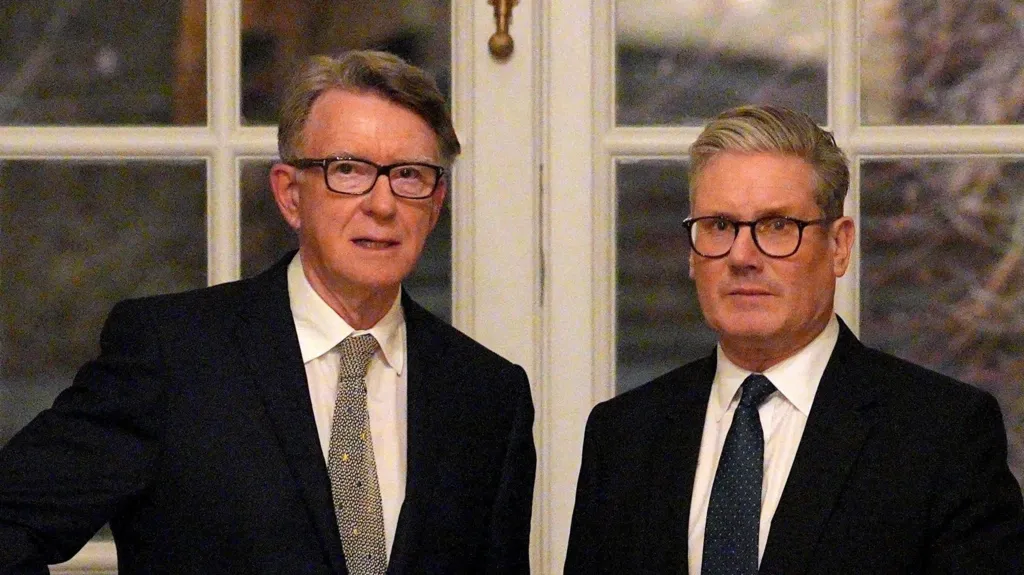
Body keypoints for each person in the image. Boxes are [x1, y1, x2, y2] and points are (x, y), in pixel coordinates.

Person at [0, 50, 536, 574]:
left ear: (436, 202)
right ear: (289, 194)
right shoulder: (173, 357)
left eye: (410, 176)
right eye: (347, 170)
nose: (382, 203)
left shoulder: (487, 397)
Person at [564, 105, 1024, 574]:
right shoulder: (625, 436)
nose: (742, 255)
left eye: (777, 226)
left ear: (839, 246)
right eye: (720, 226)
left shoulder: (940, 435)